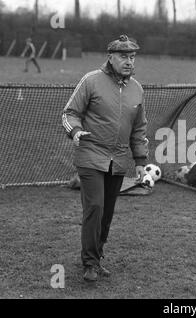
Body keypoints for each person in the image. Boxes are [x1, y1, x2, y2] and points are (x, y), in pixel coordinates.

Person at [62, 35, 148, 282]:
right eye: (123, 56)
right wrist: (75, 131)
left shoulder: (137, 89)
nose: (129, 61)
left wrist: (140, 162)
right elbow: (70, 113)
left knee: (107, 213)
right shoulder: (91, 81)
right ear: (110, 57)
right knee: (95, 207)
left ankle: (97, 257)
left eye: (132, 57)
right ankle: (89, 262)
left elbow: (140, 129)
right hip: (90, 154)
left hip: (119, 160)